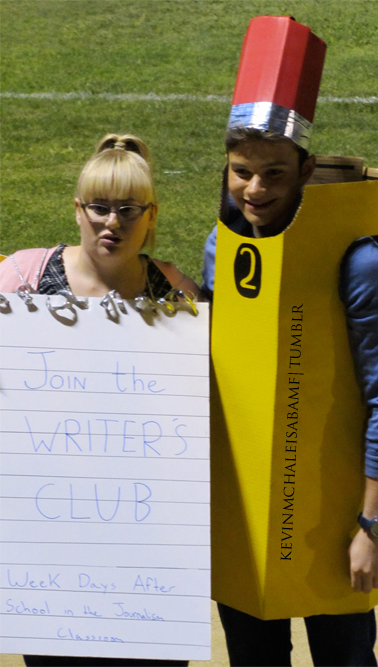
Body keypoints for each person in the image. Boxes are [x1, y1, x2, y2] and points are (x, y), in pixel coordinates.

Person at [203, 16, 378, 667]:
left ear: (306, 168)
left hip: (334, 515)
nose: (256, 189)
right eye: (241, 172)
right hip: (245, 514)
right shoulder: (219, 248)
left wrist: (374, 526)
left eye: (275, 172)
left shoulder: (360, 262)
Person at [0, 133, 201, 667]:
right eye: (99, 208)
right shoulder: (21, 279)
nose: (112, 222)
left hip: (150, 543)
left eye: (129, 210)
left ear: (151, 215)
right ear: (77, 210)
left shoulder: (178, 297)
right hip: (47, 540)